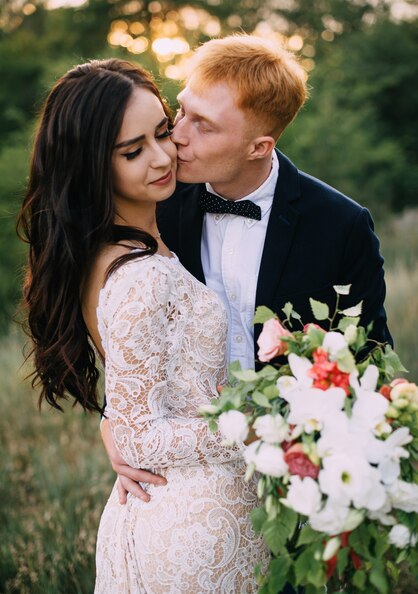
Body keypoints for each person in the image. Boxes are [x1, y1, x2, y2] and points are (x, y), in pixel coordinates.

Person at [103, 34, 393, 507]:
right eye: (182, 111)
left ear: (260, 146)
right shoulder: (157, 201)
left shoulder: (341, 225)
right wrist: (110, 421)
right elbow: (120, 324)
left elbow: (370, 362)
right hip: (180, 480)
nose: (177, 136)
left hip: (297, 480)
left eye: (204, 126)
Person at [17, 58, 270, 593]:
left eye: (162, 132)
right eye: (133, 151)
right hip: (190, 525)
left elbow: (134, 403)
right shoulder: (140, 277)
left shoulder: (118, 242)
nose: (161, 158)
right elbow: (138, 431)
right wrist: (263, 425)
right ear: (91, 164)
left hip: (188, 509)